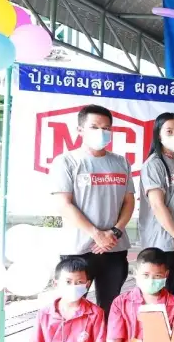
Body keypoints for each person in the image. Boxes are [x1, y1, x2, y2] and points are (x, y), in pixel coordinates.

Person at [50, 105, 134, 321]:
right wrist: (96, 234)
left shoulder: (121, 162)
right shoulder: (66, 161)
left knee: (110, 308)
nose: (101, 132)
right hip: (78, 249)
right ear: (80, 130)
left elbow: (129, 202)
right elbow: (63, 204)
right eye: (94, 127)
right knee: (73, 308)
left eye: (106, 128)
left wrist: (114, 232)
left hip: (114, 247)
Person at [139, 113, 174, 294]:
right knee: (157, 295)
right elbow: (157, 205)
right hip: (162, 242)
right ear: (158, 134)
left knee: (170, 293)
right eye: (169, 131)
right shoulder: (154, 164)